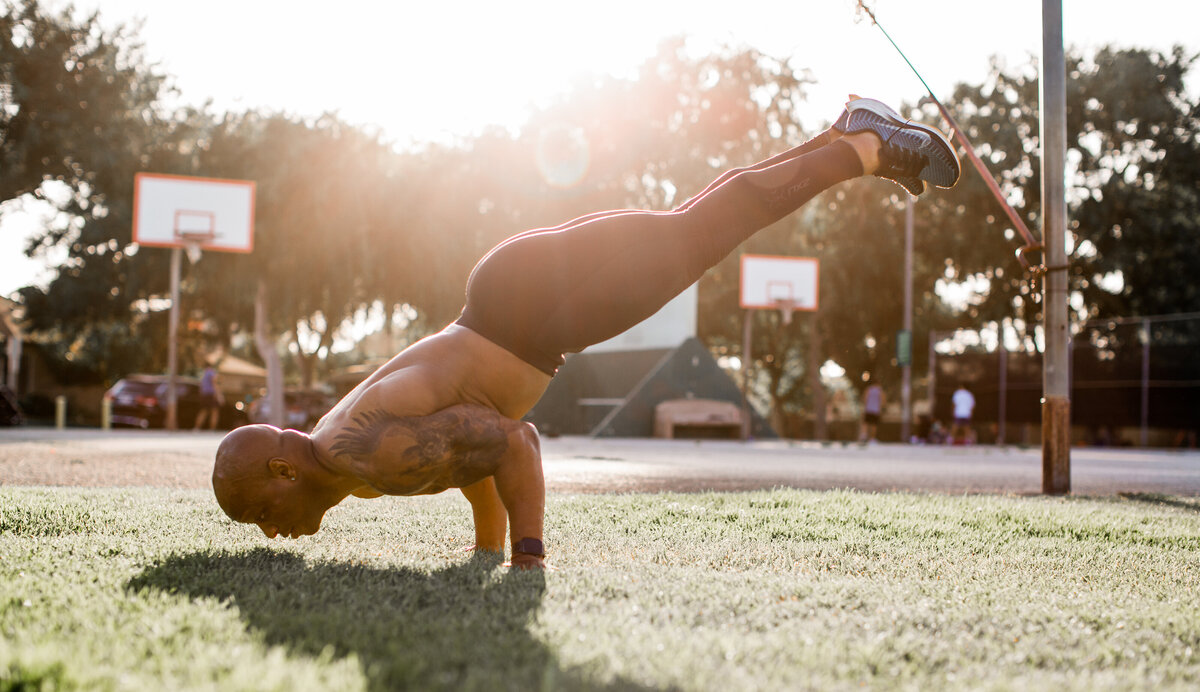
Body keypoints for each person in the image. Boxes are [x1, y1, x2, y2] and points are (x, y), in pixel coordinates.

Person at [212, 96, 961, 569]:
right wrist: (485, 548)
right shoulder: (344, 450)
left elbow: (509, 440)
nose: (270, 533)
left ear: (282, 474)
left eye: (261, 515)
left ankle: (864, 150)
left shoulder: (366, 454)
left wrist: (526, 561)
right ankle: (846, 131)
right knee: (690, 224)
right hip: (508, 298)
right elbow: (464, 445)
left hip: (529, 314)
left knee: (702, 233)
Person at [193, 363, 224, 431]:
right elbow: (214, 383)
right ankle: (212, 429)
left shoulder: (203, 374)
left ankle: (196, 428)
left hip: (204, 394)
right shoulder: (211, 372)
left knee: (204, 411)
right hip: (211, 394)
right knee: (214, 411)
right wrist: (219, 395)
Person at [860, 378, 884, 444]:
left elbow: (865, 399)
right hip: (876, 410)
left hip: (868, 409)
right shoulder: (879, 390)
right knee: (874, 425)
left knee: (866, 423)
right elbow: (882, 400)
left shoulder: (868, 389)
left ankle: (864, 436)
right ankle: (872, 438)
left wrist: (865, 407)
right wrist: (881, 408)